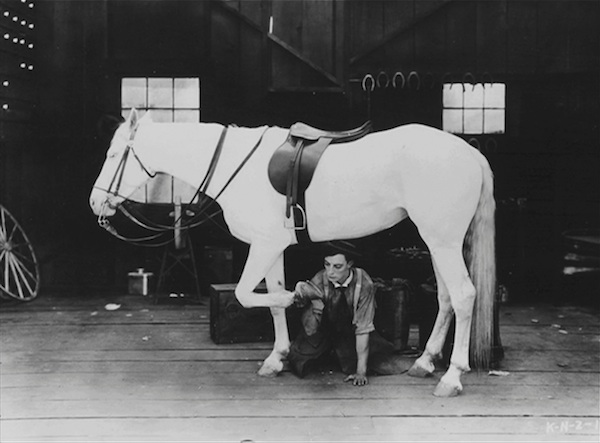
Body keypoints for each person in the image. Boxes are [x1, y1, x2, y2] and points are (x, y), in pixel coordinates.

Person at [288, 241, 411, 386]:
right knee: (298, 360)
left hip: (351, 332)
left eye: (337, 266)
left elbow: (363, 328)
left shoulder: (364, 283)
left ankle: (339, 355)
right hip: (325, 331)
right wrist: (315, 303)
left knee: (371, 361)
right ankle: (327, 352)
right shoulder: (320, 278)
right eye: (327, 264)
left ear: (350, 264)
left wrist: (361, 372)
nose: (330, 272)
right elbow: (310, 328)